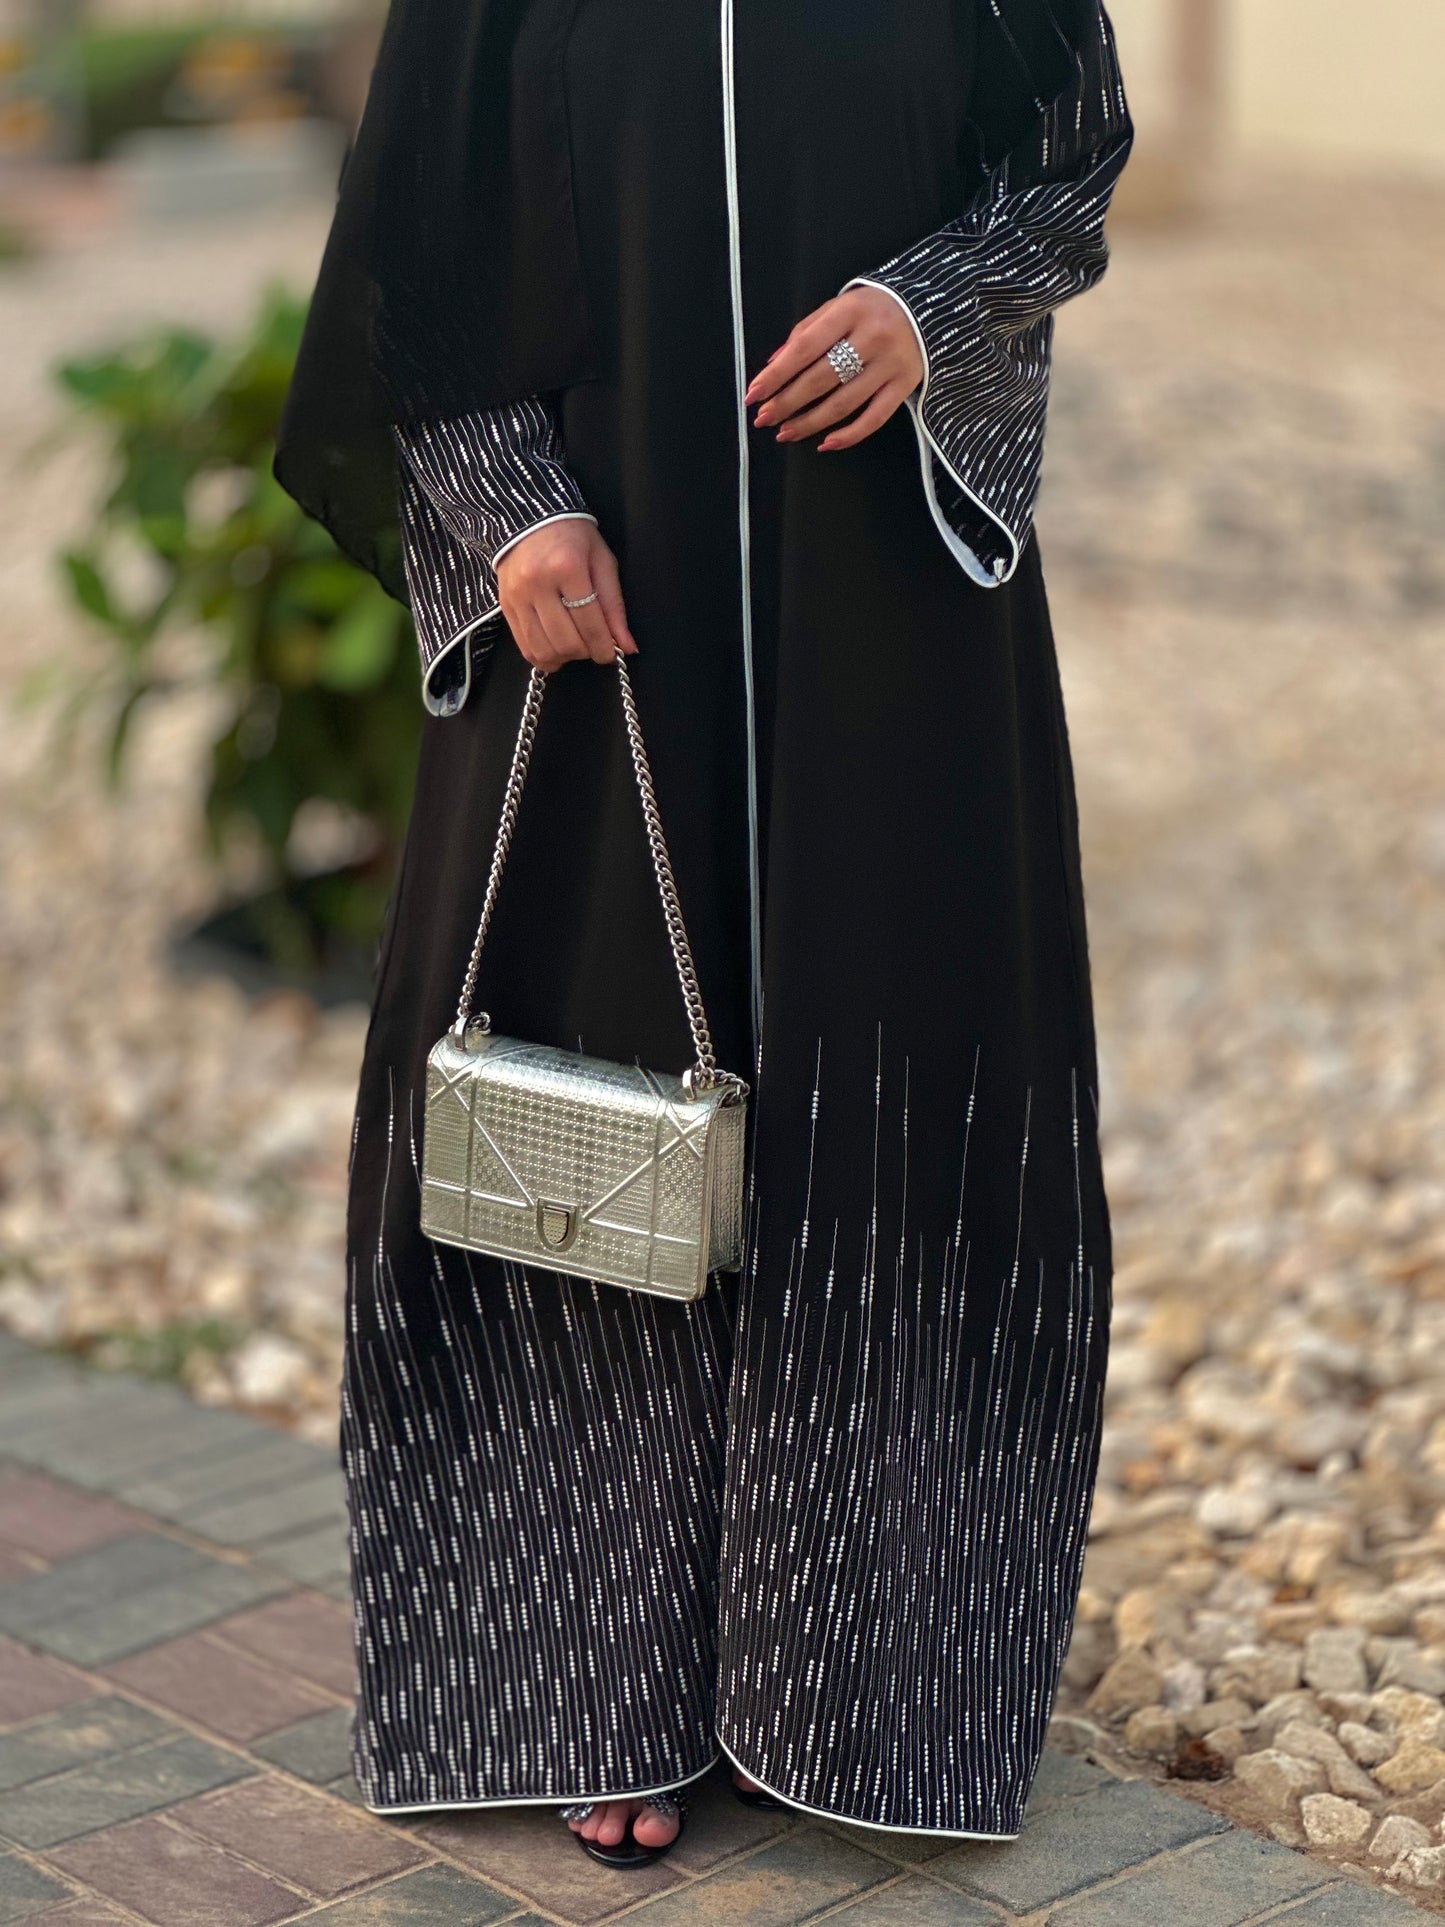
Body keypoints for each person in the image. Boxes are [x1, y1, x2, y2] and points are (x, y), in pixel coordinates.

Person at [276, 0, 1131, 1869]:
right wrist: (505, 509)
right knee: (582, 1103)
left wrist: (924, 309)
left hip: (886, 589)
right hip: (596, 589)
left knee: (890, 1077)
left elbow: (1065, 153)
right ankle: (593, 1677)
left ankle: (863, 1682)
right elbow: (412, 229)